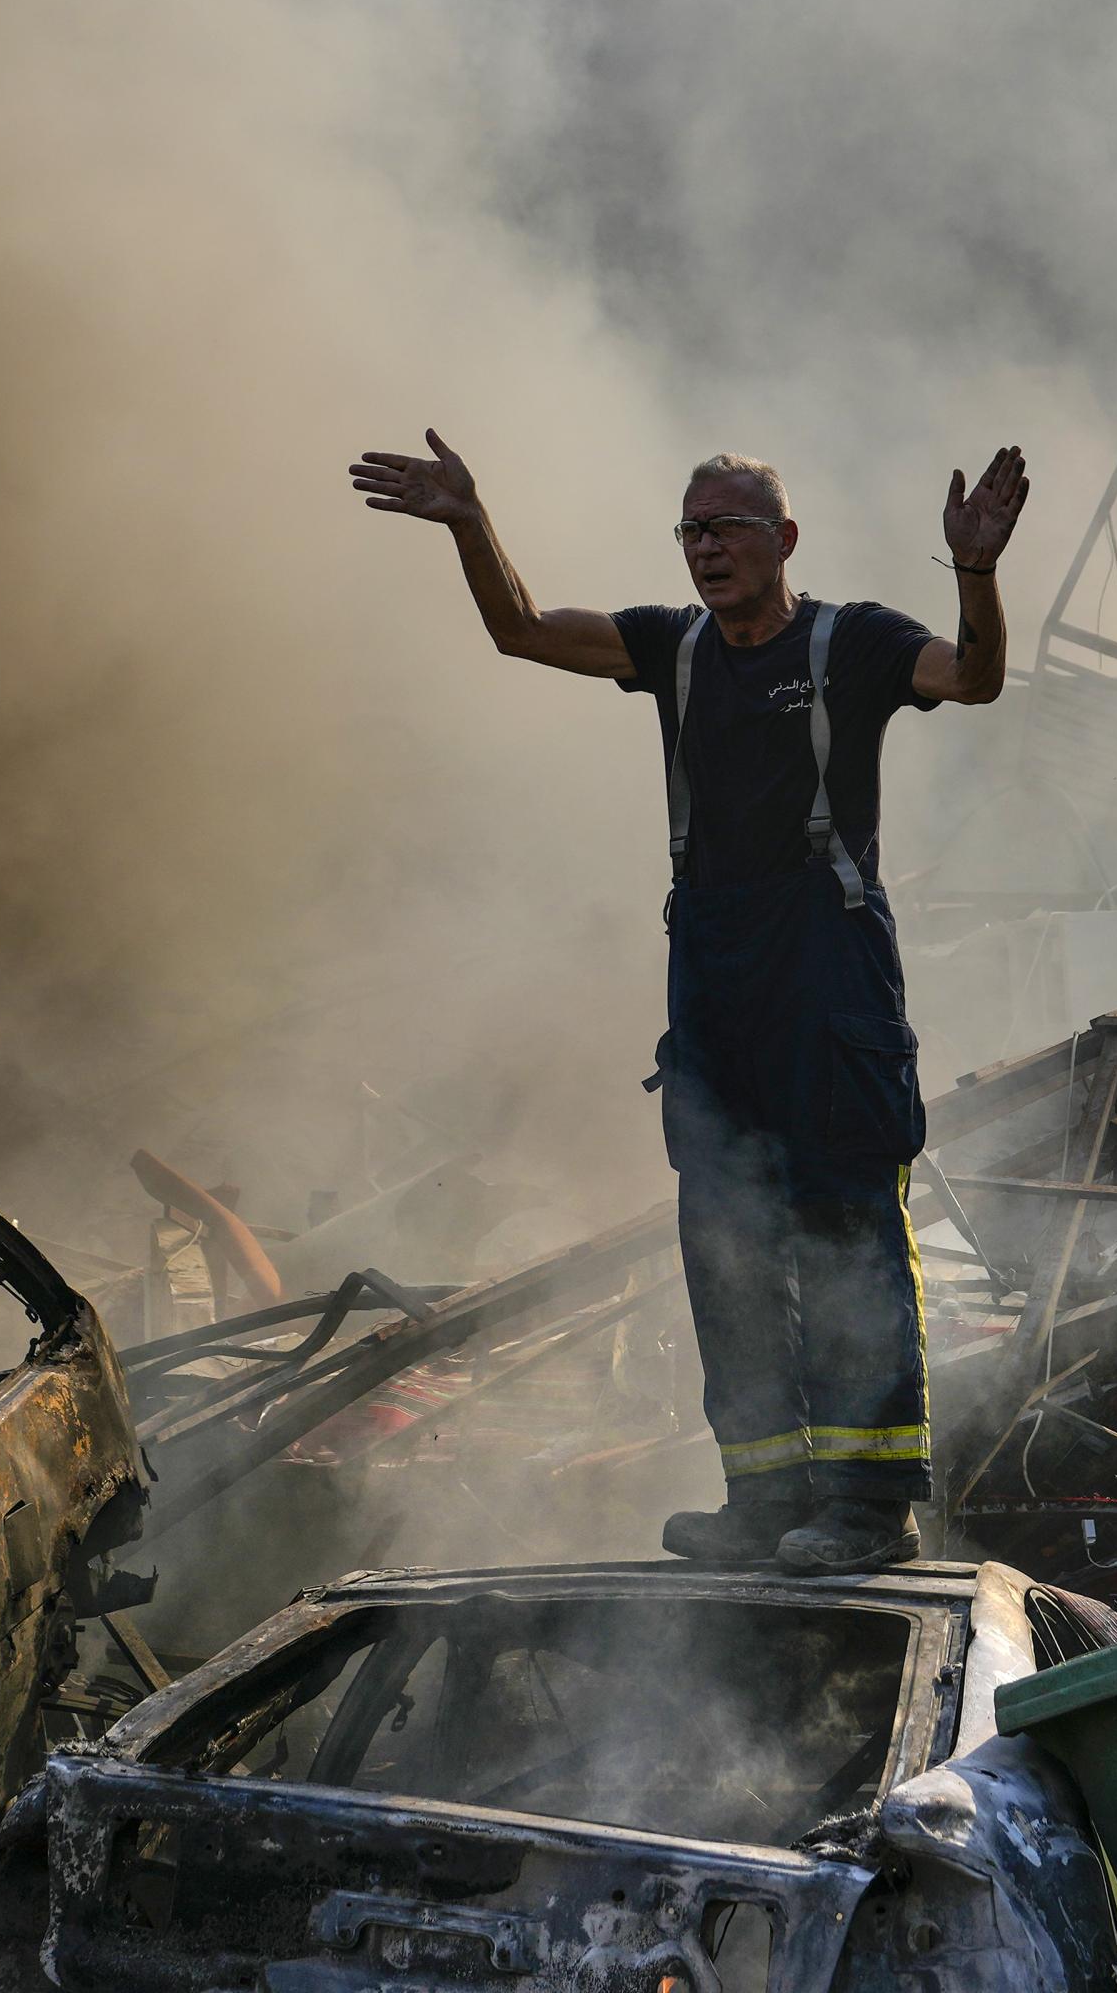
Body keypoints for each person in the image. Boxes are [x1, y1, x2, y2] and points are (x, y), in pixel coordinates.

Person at [347, 432, 1028, 1572]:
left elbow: (974, 677)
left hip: (830, 979)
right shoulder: (674, 650)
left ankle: (869, 1506)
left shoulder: (850, 642)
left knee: (847, 1224)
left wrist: (974, 572)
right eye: (691, 529)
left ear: (785, 541)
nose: (705, 546)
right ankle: (763, 1497)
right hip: (715, 985)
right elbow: (519, 630)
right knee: (725, 1238)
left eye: (726, 527)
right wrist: (470, 523)